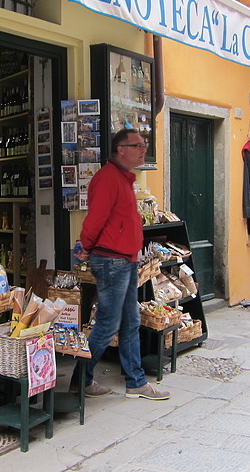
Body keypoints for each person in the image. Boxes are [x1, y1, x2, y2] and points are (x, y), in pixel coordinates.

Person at [71, 129, 169, 400]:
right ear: (120, 149)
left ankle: (135, 382)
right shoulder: (108, 179)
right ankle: (81, 379)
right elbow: (95, 218)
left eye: (144, 144)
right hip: (111, 260)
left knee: (129, 322)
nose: (142, 149)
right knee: (107, 324)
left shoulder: (123, 178)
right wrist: (85, 246)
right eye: (136, 145)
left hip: (124, 259)